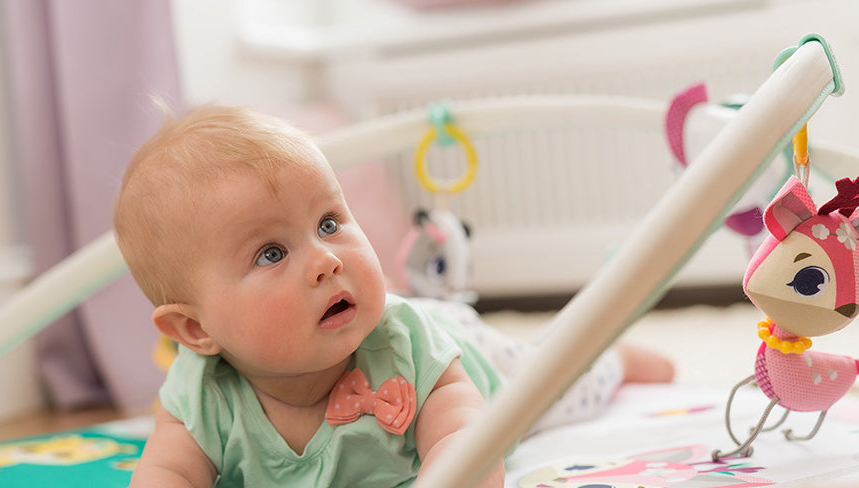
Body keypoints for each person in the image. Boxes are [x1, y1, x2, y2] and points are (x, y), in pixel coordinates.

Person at [114, 105, 674, 487]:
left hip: (472, 354)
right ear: (196, 331)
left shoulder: (406, 343)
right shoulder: (199, 394)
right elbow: (169, 473)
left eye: (329, 222)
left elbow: (467, 437)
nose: (326, 259)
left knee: (556, 379)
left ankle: (613, 357)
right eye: (271, 254)